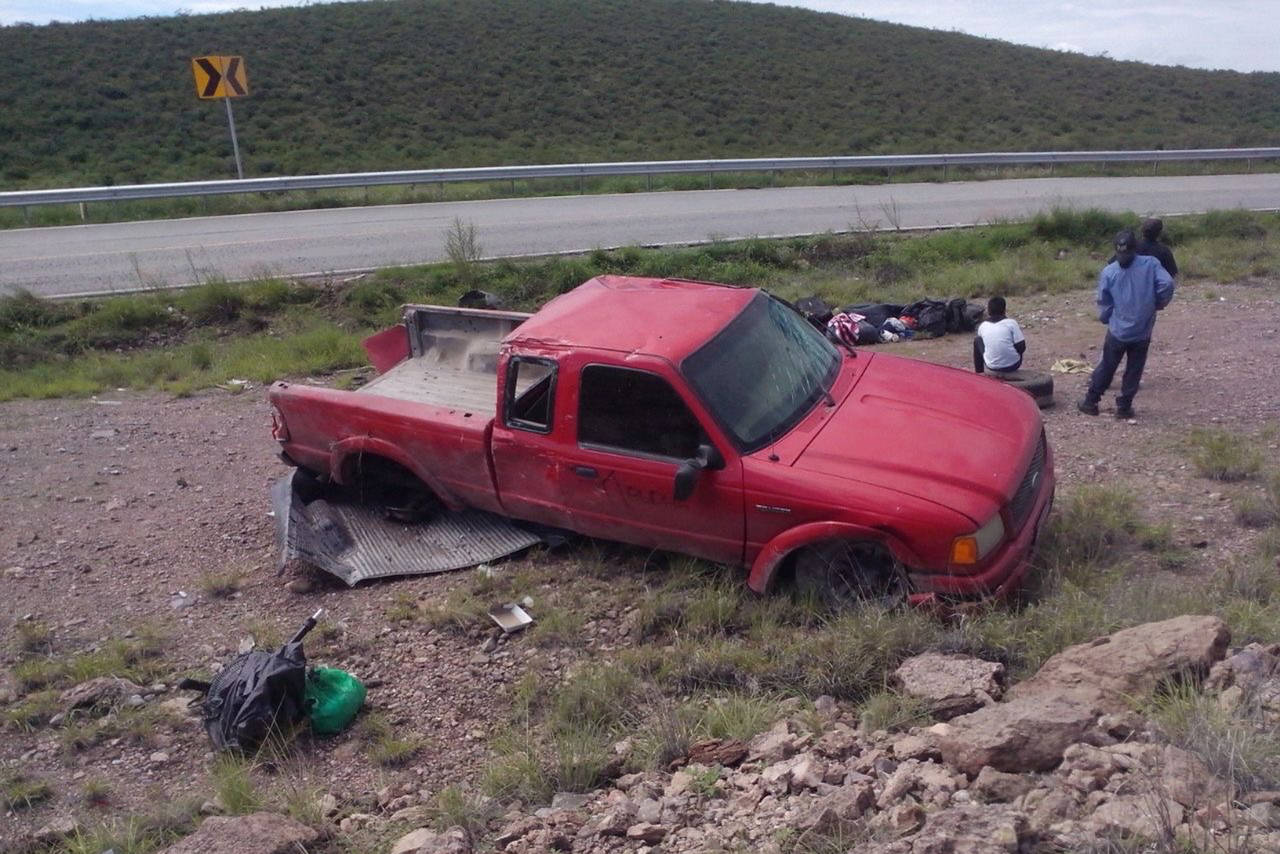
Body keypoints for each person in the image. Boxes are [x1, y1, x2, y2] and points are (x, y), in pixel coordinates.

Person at [1078, 229, 1175, 419]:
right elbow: (1167, 284)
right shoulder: (1151, 265)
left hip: (1118, 330)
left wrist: (1107, 317)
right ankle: (1124, 408)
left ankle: (1091, 402)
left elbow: (1103, 301)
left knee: (1107, 366)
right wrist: (1158, 303)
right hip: (1142, 330)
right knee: (1134, 369)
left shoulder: (1109, 272)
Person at [973, 296, 1025, 374]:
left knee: (977, 340)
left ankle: (979, 373)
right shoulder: (1011, 323)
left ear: (989, 311)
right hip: (1013, 365)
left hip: (991, 365)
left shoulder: (983, 326)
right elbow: (1022, 347)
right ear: (1004, 310)